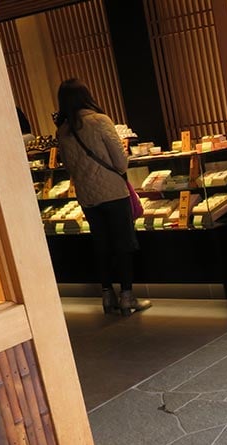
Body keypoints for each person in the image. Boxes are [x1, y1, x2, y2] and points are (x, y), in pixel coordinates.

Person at [54, 78, 151, 316]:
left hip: (87, 196)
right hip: (113, 193)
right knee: (123, 244)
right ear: (86, 96)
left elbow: (68, 167)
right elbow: (121, 162)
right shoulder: (99, 121)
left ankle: (107, 296)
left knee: (102, 246)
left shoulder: (63, 131)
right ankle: (127, 297)